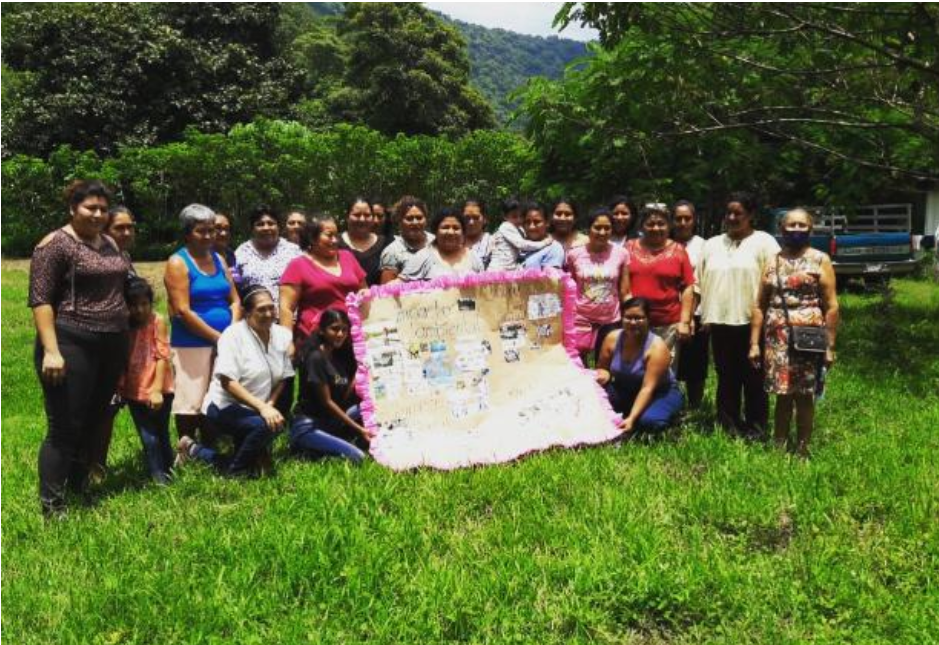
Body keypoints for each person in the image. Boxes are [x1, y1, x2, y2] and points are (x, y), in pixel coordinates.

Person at [28, 180, 131, 516]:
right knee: (65, 426)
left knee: (94, 419)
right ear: (73, 208)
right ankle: (52, 505)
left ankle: (78, 488)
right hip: (72, 340)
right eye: (91, 207)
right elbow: (40, 300)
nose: (98, 214)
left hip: (112, 342)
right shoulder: (55, 244)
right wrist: (52, 351)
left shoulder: (110, 243)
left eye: (103, 208)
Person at [176, 286, 293, 476]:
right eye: (261, 309)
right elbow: (228, 382)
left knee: (274, 423)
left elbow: (285, 375)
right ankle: (235, 472)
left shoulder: (281, 335)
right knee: (264, 426)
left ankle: (192, 449)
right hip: (224, 406)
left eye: (272, 307)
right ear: (247, 313)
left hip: (257, 406)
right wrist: (263, 409)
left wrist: (270, 404)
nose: (269, 313)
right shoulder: (232, 336)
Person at [750, 208, 838, 456]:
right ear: (782, 229)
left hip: (809, 336)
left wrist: (830, 346)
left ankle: (802, 448)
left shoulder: (820, 260)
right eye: (791, 225)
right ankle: (779, 446)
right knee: (782, 393)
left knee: (805, 394)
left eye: (802, 225)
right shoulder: (772, 260)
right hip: (777, 335)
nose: (796, 230)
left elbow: (831, 306)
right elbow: (759, 305)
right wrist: (754, 344)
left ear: (810, 229)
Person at [698, 192, 780, 439]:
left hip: (753, 322)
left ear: (751, 215)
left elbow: (774, 280)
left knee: (754, 378)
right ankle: (728, 425)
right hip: (721, 322)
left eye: (738, 213)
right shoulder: (711, 244)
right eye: (728, 213)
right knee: (726, 376)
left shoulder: (765, 242)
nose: (732, 218)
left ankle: (756, 427)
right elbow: (700, 281)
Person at [164, 204, 241, 443]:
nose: (209, 236)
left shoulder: (218, 258)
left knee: (217, 394)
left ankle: (210, 444)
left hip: (225, 340)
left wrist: (231, 332)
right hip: (191, 343)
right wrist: (217, 338)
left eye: (211, 230)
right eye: (202, 231)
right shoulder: (178, 262)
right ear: (188, 233)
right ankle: (186, 447)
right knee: (191, 398)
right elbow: (182, 310)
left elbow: (235, 299)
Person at [85, 204, 139, 481]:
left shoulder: (124, 257)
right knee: (94, 407)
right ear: (105, 229)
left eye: (130, 227)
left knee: (110, 405)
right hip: (94, 342)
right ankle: (83, 465)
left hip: (121, 342)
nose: (127, 232)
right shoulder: (94, 259)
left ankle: (98, 465)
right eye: (120, 227)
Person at [596, 298, 684, 436]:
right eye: (628, 318)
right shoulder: (612, 338)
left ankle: (671, 418)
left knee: (649, 423)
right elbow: (602, 368)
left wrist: (631, 419)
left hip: (658, 393)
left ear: (648, 319)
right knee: (595, 403)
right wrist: (603, 375)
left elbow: (647, 388)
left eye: (638, 318)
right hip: (624, 390)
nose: (633, 322)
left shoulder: (657, 347)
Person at [291, 309, 369, 463]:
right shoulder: (315, 358)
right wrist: (360, 429)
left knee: (366, 407)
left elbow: (345, 395)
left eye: (344, 330)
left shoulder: (338, 355)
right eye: (334, 329)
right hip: (310, 426)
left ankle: (336, 439)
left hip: (331, 421)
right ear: (321, 330)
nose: (340, 334)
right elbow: (327, 403)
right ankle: (305, 447)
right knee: (358, 457)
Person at [119, 277, 175, 484]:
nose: (140, 310)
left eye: (144, 304)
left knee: (161, 433)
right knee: (148, 438)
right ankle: (158, 477)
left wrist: (157, 389)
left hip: (159, 388)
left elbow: (162, 356)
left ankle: (168, 473)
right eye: (134, 305)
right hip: (134, 390)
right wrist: (121, 387)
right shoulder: (124, 326)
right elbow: (123, 358)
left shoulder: (157, 321)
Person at [280, 214, 367, 345]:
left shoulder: (348, 257)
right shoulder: (297, 265)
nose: (335, 240)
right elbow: (286, 308)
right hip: (316, 342)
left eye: (336, 235)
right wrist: (287, 344)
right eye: (329, 235)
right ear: (312, 238)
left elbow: (364, 290)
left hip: (352, 339)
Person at [626, 204, 695, 366]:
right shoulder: (628, 248)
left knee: (664, 373)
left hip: (668, 325)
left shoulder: (679, 250)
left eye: (661, 224)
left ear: (669, 225)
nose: (655, 228)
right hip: (634, 323)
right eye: (650, 224)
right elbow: (623, 285)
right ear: (642, 226)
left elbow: (687, 287)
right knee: (634, 370)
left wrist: (684, 321)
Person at [564, 207, 631, 363]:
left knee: (606, 363)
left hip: (610, 319)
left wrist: (630, 315)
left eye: (607, 228)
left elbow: (625, 290)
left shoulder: (622, 253)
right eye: (597, 227)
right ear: (589, 229)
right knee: (578, 364)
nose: (602, 232)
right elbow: (571, 288)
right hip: (580, 318)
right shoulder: (574, 254)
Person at [672, 200, 709, 408]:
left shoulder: (704, 246)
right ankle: (672, 403)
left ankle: (695, 407)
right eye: (678, 218)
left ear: (694, 220)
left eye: (687, 218)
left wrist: (692, 314)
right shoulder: (664, 243)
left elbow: (702, 281)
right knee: (670, 361)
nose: (683, 223)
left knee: (695, 364)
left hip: (696, 312)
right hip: (668, 311)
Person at [234, 205, 301, 309]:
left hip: (288, 318)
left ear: (279, 226)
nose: (266, 228)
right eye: (260, 224)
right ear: (252, 228)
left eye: (271, 224)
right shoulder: (241, 252)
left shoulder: (294, 251)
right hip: (253, 318)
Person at [397, 208, 485, 281]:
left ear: (463, 232)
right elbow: (398, 285)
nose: (451, 232)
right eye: (445, 227)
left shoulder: (473, 258)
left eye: (456, 228)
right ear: (435, 231)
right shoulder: (423, 257)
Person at [488, 197, 554, 271]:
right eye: (514, 216)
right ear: (505, 217)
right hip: (498, 269)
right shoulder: (506, 226)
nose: (519, 219)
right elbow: (522, 245)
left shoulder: (519, 229)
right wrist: (544, 243)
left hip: (510, 269)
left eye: (521, 216)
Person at [379, 196, 434, 283]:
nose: (415, 222)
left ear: (426, 219)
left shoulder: (436, 242)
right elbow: (386, 292)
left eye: (419, 218)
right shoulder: (392, 252)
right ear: (399, 221)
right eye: (409, 218)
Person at [338, 197, 388, 286]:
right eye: (357, 215)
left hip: (379, 299)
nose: (362, 219)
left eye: (367, 215)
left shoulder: (386, 244)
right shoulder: (335, 244)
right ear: (347, 217)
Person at [520, 202, 565, 269]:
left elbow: (551, 278)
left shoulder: (553, 248)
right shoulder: (518, 244)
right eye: (527, 222)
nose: (531, 227)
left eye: (537, 222)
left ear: (547, 223)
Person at [463, 198, 493, 268]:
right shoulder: (454, 244)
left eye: (476, 217)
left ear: (485, 219)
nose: (471, 222)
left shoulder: (493, 243)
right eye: (467, 218)